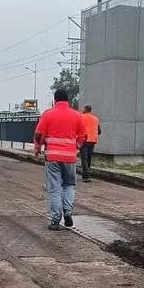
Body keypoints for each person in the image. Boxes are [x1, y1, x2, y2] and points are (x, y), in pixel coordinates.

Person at [34, 89, 86, 230]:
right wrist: (76, 147)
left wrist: (38, 147)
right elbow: (84, 136)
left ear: (55, 100)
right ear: (67, 100)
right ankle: (68, 211)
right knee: (69, 185)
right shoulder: (77, 116)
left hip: (52, 157)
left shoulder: (48, 114)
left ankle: (56, 220)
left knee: (54, 188)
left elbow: (39, 133)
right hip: (70, 158)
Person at [80, 104, 101, 182]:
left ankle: (87, 175)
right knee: (88, 158)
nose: (82, 110)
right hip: (93, 141)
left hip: (84, 140)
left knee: (84, 159)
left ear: (85, 109)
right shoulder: (96, 119)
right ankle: (85, 175)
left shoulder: (81, 117)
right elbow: (99, 131)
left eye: (83, 109)